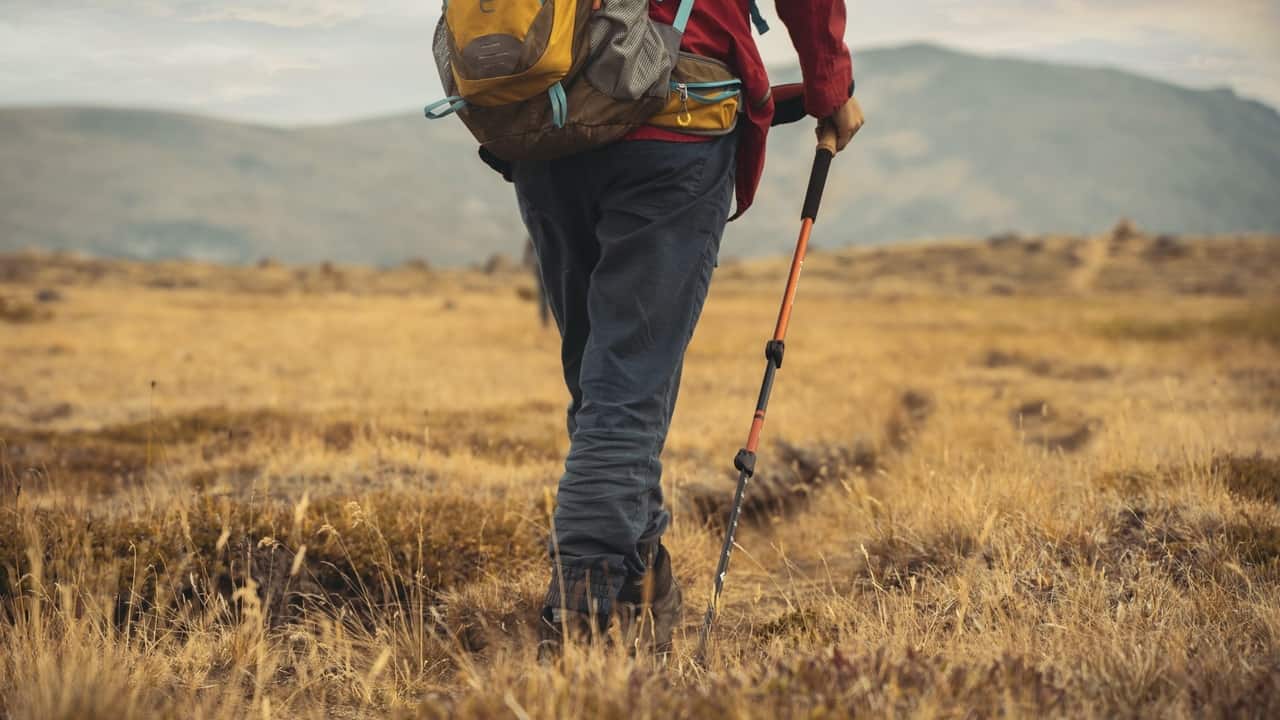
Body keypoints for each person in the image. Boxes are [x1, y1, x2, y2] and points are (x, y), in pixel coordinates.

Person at [517, 0, 864, 653]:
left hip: (547, 118)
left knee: (604, 388)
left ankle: (641, 579)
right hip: (675, 113)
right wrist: (830, 87)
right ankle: (577, 620)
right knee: (621, 397)